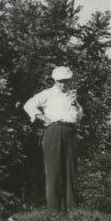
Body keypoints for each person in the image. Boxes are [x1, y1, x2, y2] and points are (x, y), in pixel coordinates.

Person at [23, 66, 82, 212]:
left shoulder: (71, 95)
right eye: (61, 81)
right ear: (55, 80)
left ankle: (73, 211)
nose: (63, 84)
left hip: (70, 132)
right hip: (54, 131)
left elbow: (78, 116)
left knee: (71, 171)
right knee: (54, 172)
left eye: (66, 81)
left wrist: (74, 103)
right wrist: (43, 117)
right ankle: (54, 211)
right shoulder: (48, 94)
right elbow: (28, 105)